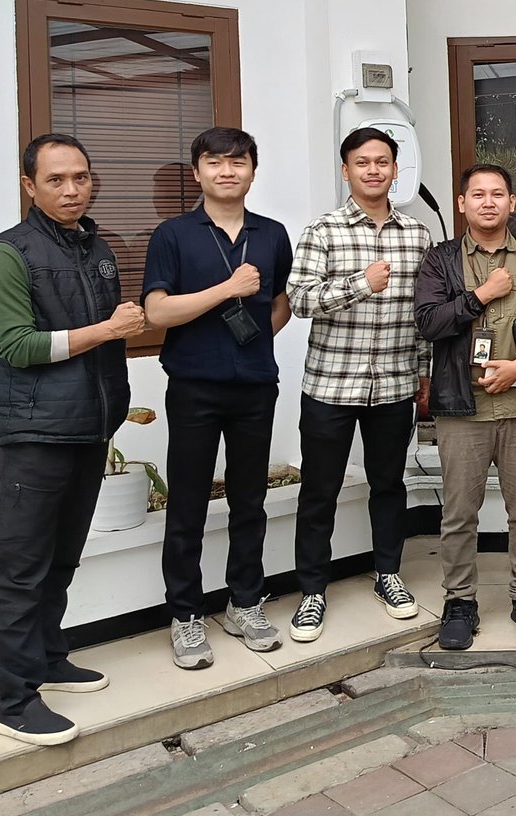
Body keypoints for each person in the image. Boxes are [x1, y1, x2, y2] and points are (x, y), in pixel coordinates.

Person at [0, 134, 144, 745]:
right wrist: (107, 330)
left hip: (88, 428)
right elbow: (18, 346)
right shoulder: (5, 255)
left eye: (81, 177)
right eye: (56, 180)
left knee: (62, 557)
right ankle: (14, 701)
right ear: (30, 186)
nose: (72, 190)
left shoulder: (96, 247)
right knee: (21, 569)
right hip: (33, 435)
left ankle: (47, 658)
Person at [142, 128, 293, 669]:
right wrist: (226, 291)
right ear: (197, 172)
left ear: (253, 170)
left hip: (255, 386)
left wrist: (250, 345)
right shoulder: (173, 235)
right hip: (193, 387)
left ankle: (244, 603)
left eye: (238, 162)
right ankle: (185, 614)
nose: (227, 171)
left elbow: (281, 302)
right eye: (215, 162)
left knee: (249, 501)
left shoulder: (272, 234)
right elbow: (157, 312)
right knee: (187, 504)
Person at [414, 165, 516, 649]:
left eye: (498, 194)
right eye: (478, 194)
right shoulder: (441, 260)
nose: (488, 202)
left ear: (511, 203)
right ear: (462, 203)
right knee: (459, 512)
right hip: (462, 409)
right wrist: (481, 295)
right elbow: (429, 322)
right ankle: (460, 601)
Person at [285, 128, 433, 641]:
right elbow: (300, 300)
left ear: (395, 170)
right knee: (319, 491)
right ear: (345, 170)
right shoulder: (322, 231)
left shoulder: (417, 235)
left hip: (394, 384)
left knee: (389, 485)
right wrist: (359, 285)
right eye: (362, 162)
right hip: (331, 386)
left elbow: (423, 314)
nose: (373, 170)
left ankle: (388, 574)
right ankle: (312, 590)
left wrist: (424, 373)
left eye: (382, 162)